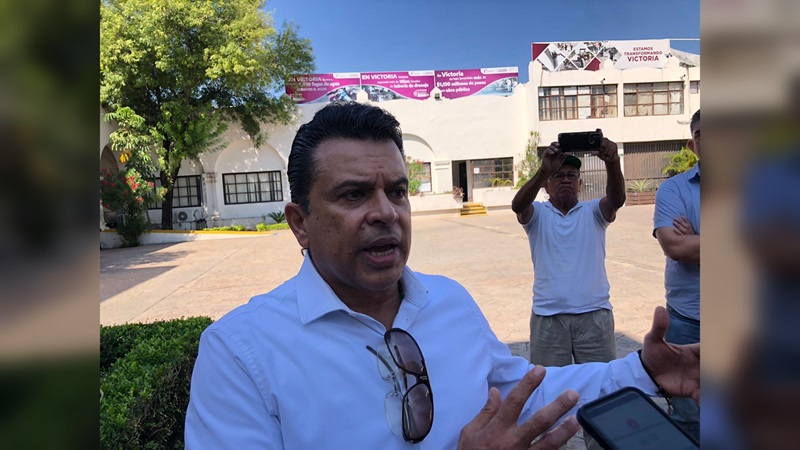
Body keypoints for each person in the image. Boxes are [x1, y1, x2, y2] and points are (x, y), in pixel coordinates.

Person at [185, 102, 699, 450]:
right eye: (353, 194)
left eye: (397, 191)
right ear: (300, 222)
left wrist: (642, 371)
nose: (386, 212)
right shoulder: (240, 353)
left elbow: (527, 390)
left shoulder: (449, 302)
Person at [511, 132, 626, 367]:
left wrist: (613, 162)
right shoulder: (538, 214)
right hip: (548, 317)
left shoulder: (593, 212)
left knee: (599, 383)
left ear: (580, 184)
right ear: (546, 185)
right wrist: (544, 170)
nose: (565, 180)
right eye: (558, 175)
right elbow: (518, 206)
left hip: (594, 315)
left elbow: (616, 200)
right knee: (550, 384)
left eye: (572, 175)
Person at [653, 109, 701, 439]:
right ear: (692, 145)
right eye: (701, 134)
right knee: (688, 415)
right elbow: (675, 246)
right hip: (686, 321)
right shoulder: (673, 189)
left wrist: (698, 239)